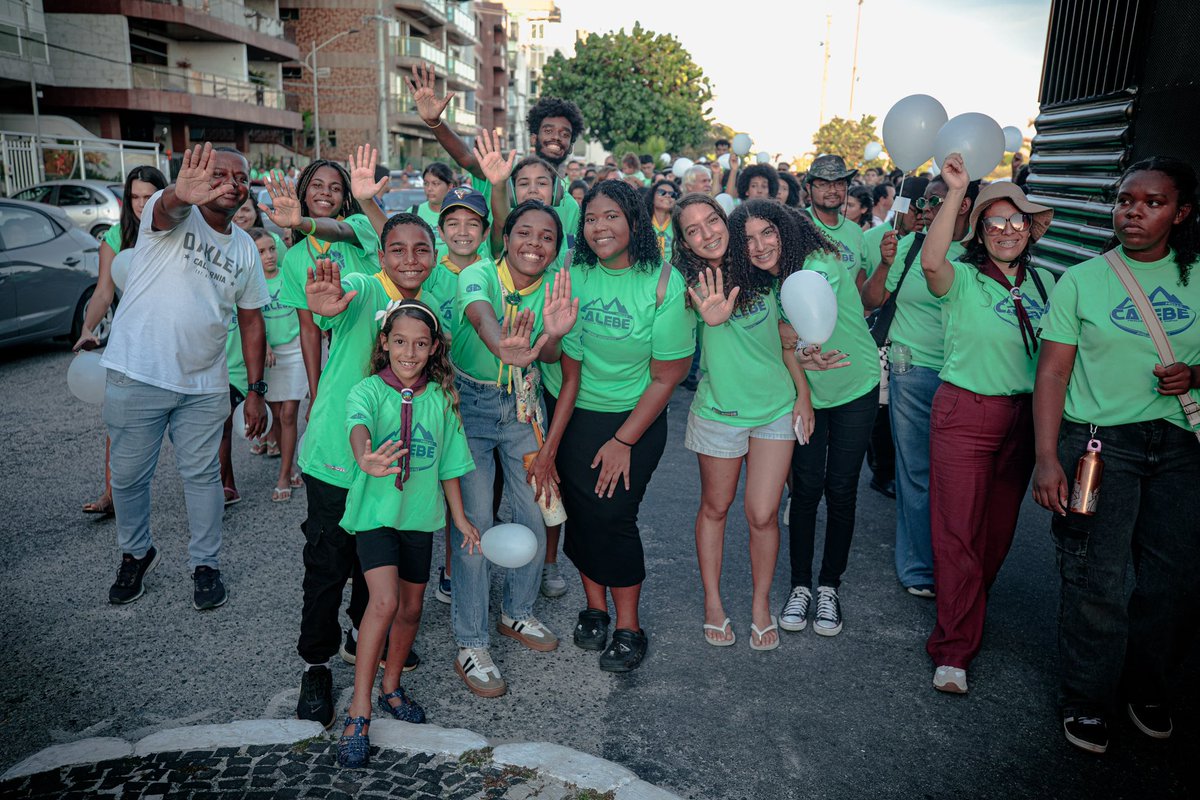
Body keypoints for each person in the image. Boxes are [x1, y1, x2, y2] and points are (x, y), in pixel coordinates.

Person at [1033, 156, 1200, 755]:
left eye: (1152, 202)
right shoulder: (1083, 279)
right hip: (1101, 446)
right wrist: (1047, 457)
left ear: (1180, 214)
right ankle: (1086, 697)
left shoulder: (1199, 276)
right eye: (1127, 199)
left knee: (1173, 581)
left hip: (1181, 446)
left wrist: (1197, 372)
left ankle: (1146, 687)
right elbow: (1052, 373)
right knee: (1094, 578)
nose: (1134, 211)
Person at [101, 143, 269, 610]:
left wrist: (255, 391)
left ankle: (206, 564)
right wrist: (180, 192)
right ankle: (136, 553)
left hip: (204, 385)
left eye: (241, 178)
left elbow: (252, 321)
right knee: (130, 476)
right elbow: (168, 207)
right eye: (222, 174)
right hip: (138, 373)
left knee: (204, 477)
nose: (233, 184)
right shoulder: (168, 215)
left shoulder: (245, 251)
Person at [919, 152, 1056, 695]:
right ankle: (953, 649)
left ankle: (966, 613)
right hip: (966, 413)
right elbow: (931, 263)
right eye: (995, 222)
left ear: (1030, 229)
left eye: (1015, 221)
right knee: (957, 534)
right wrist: (955, 192)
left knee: (997, 535)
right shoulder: (963, 279)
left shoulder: (1047, 283)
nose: (1005, 231)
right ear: (980, 230)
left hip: (1024, 420)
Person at [554, 180, 695, 672]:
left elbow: (670, 374)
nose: (599, 228)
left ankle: (629, 626)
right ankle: (594, 608)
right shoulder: (575, 271)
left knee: (613, 518)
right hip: (575, 413)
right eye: (591, 219)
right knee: (580, 512)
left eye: (611, 216)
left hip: (637, 418)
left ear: (635, 221)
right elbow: (566, 362)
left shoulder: (662, 281)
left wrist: (623, 440)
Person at [335, 300, 479, 768]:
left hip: (420, 517)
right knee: (384, 602)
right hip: (376, 515)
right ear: (385, 343)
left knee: (412, 607)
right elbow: (357, 427)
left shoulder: (441, 398)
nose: (410, 352)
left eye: (420, 344)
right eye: (400, 342)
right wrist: (365, 458)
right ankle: (359, 710)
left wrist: (459, 519)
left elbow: (451, 466)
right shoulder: (368, 391)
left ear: (434, 347)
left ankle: (391, 686)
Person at [674, 196, 822, 651]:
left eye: (712, 221)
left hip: (775, 409)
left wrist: (803, 396)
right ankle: (714, 603)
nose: (707, 233)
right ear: (683, 241)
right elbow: (674, 351)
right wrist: (707, 320)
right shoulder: (685, 286)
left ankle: (761, 606)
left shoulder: (762, 272)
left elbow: (785, 342)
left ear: (726, 221)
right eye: (693, 229)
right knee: (715, 508)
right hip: (719, 413)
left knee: (762, 513)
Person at [446, 199, 578, 697]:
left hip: (523, 405)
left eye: (547, 237)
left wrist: (553, 337)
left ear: (556, 248)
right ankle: (471, 642)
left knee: (534, 513)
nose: (534, 244)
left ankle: (518, 614)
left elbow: (555, 357)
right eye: (525, 232)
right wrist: (502, 341)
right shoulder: (478, 272)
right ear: (506, 236)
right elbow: (480, 317)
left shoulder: (556, 290)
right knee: (475, 523)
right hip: (470, 406)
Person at [861, 175, 978, 597]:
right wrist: (886, 264)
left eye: (935, 201)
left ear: (962, 205)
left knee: (961, 479)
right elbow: (871, 301)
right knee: (916, 472)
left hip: (968, 378)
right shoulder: (909, 247)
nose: (924, 208)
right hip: (912, 373)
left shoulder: (982, 253)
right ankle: (920, 567)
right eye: (924, 201)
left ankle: (959, 562)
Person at [775, 202, 880, 638]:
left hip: (855, 383)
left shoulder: (821, 262)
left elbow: (801, 327)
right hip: (807, 395)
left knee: (840, 490)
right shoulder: (767, 278)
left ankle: (829, 587)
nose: (766, 245)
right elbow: (784, 341)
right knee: (805, 489)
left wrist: (798, 344)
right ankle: (800, 585)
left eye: (774, 235)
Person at [75, 165, 168, 517]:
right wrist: (88, 328)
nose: (142, 204)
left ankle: (213, 486)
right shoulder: (116, 238)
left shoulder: (177, 232)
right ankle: (112, 494)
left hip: (173, 340)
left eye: (149, 196)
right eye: (135, 197)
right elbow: (103, 292)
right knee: (118, 422)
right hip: (130, 341)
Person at [248, 228, 305, 501]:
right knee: (276, 412)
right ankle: (289, 463)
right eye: (261, 252)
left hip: (295, 352)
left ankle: (283, 475)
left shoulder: (289, 275)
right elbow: (251, 320)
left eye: (271, 249)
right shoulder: (252, 283)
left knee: (289, 413)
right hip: (268, 356)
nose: (269, 256)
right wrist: (266, 344)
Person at [804, 156, 873, 287]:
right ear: (809, 188)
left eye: (839, 183)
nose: (833, 190)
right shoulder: (796, 225)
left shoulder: (855, 231)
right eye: (823, 184)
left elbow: (859, 285)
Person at [413, 162, 455, 258]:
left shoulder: (458, 213)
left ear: (449, 187)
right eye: (426, 183)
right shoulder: (413, 212)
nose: (429, 188)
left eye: (435, 184)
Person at [647, 179, 678, 262]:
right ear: (652, 197)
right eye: (661, 192)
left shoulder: (679, 223)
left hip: (674, 271)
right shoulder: (642, 223)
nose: (667, 196)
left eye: (672, 194)